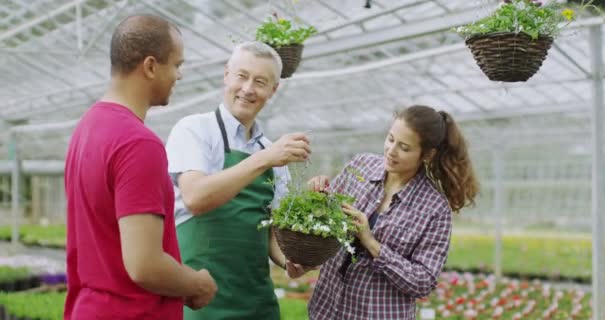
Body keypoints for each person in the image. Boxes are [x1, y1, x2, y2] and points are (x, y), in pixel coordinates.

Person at [64, 15, 216, 320]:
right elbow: (144, 265)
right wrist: (197, 283)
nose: (179, 75)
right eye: (176, 65)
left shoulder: (86, 129)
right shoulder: (138, 144)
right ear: (150, 66)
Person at [165, 41, 313, 320]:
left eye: (260, 81)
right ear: (226, 75)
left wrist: (290, 260)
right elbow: (196, 198)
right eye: (241, 76)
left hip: (256, 302)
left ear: (273, 89)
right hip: (200, 303)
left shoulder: (270, 152)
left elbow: (272, 232)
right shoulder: (195, 130)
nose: (248, 88)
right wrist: (265, 158)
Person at [307, 105, 479, 320]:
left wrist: (371, 242)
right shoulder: (361, 166)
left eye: (404, 148)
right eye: (390, 139)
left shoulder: (435, 209)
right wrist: (318, 196)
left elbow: (423, 282)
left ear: (427, 155)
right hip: (327, 309)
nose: (391, 150)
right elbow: (325, 218)